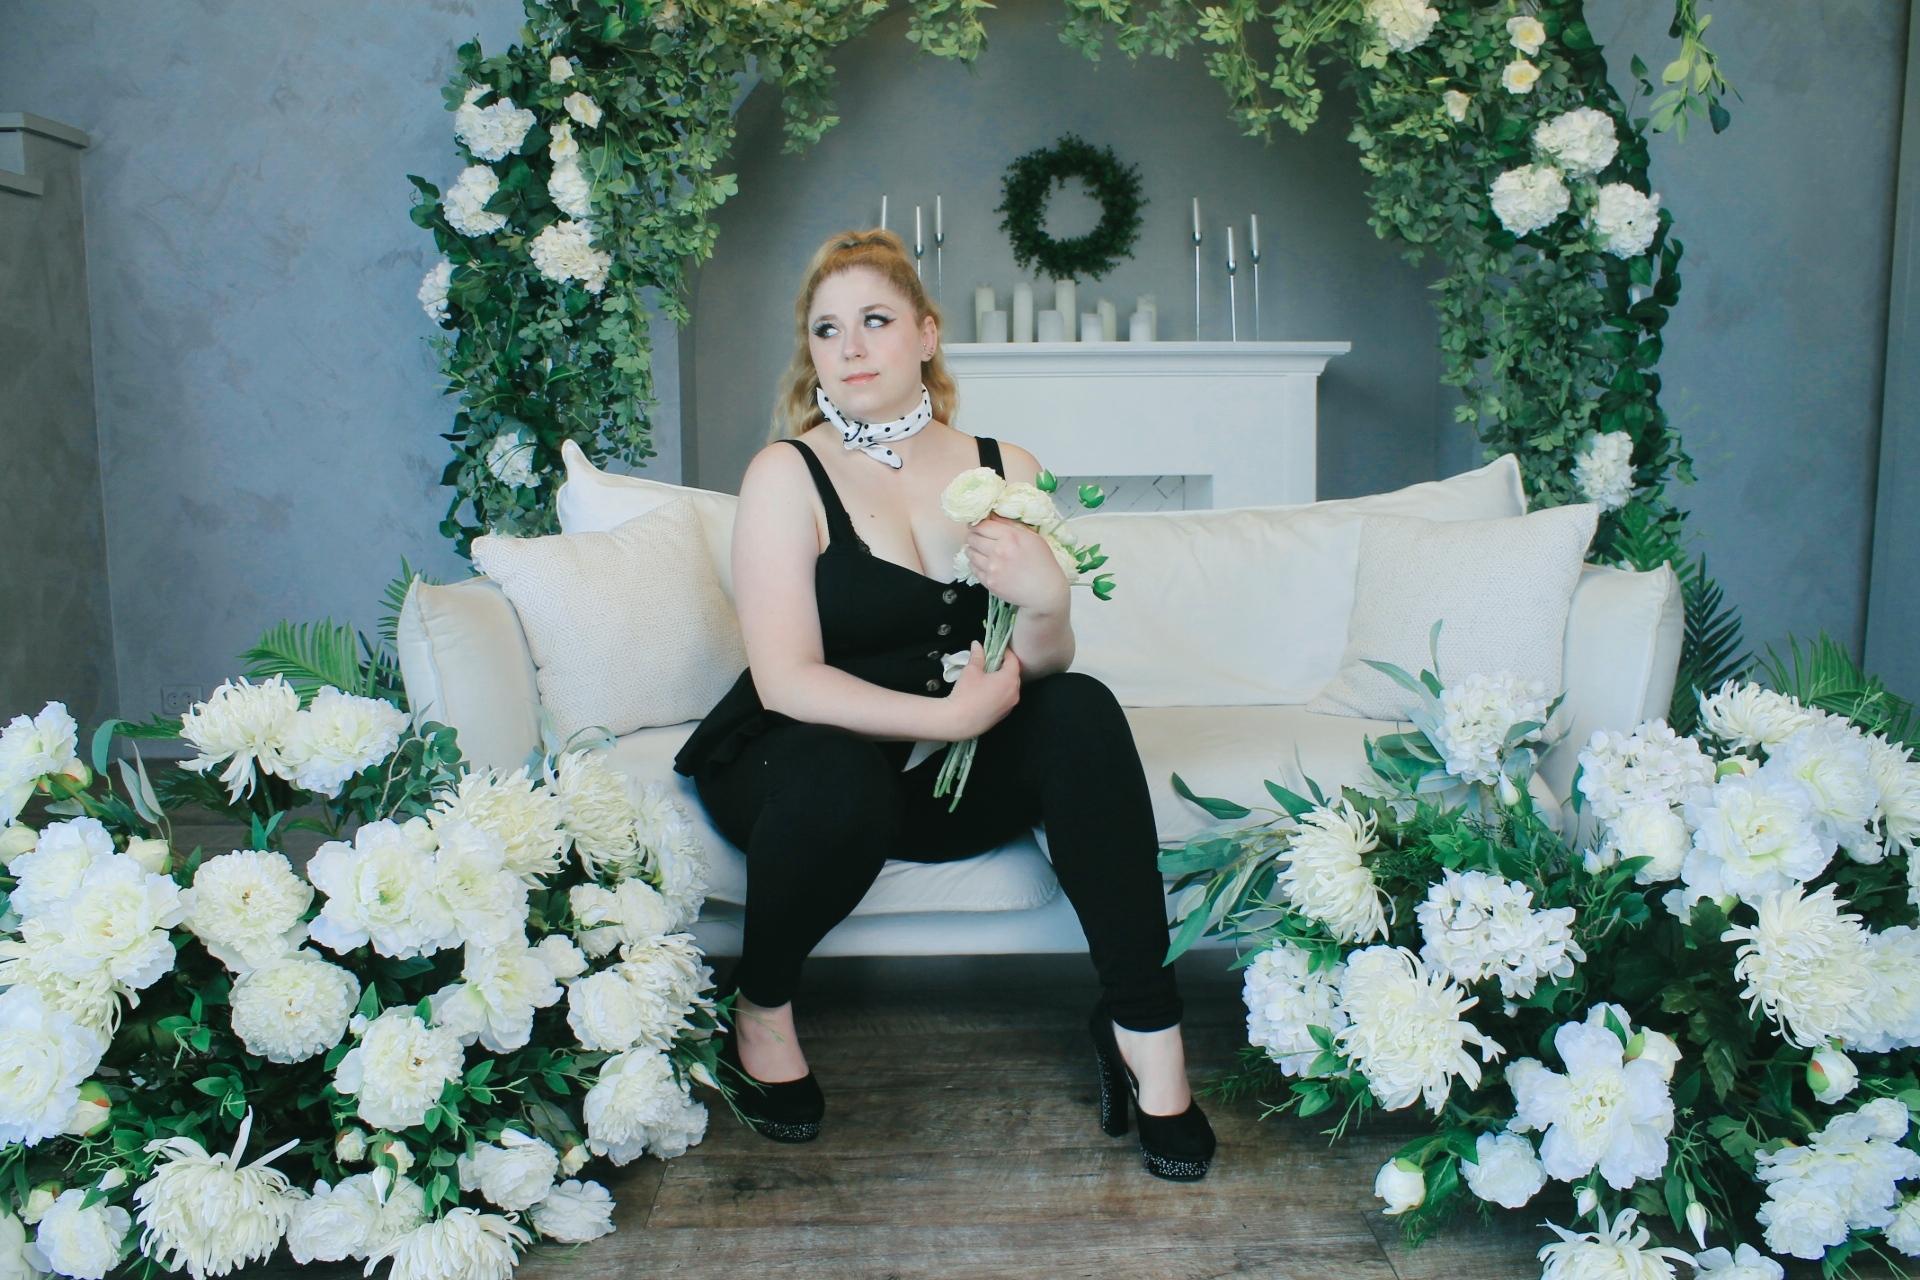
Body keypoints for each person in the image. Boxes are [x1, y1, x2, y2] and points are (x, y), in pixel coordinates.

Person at [672, 228, 1215, 1180]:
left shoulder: (1008, 468)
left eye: (875, 321)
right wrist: (948, 719)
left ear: (926, 335)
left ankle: (1145, 1031)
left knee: (1082, 707)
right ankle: (760, 1007)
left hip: (939, 785)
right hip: (799, 767)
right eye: (827, 329)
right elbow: (786, 678)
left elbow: (1038, 667)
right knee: (841, 778)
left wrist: (1045, 600)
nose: (850, 347)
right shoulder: (785, 473)